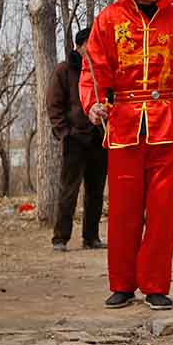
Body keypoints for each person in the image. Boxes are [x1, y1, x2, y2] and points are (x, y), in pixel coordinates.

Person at [80, 0, 173, 311]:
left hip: (170, 121)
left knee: (162, 208)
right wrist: (93, 104)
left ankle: (155, 285)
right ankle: (122, 284)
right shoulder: (109, 19)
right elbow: (93, 69)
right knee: (123, 209)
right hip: (124, 123)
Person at [47, 26, 108, 252]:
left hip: (100, 137)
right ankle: (60, 238)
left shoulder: (102, 70)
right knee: (69, 190)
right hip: (74, 138)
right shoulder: (64, 70)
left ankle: (91, 237)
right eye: (89, 45)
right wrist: (64, 132)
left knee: (96, 190)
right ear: (79, 46)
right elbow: (53, 105)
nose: (93, 49)